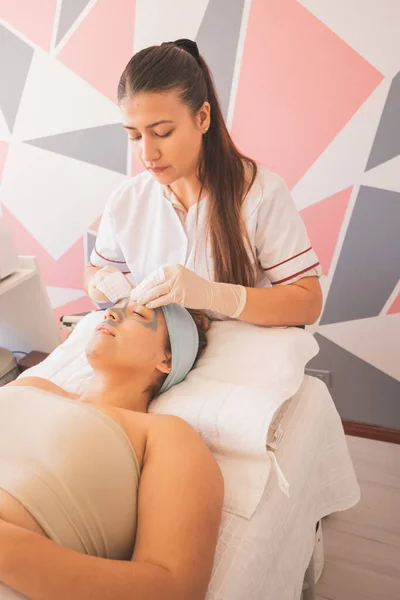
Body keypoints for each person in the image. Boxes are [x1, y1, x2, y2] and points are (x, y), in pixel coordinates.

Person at [85, 38, 323, 327]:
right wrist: (101, 281)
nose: (147, 154)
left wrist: (214, 296)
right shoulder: (127, 201)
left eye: (162, 132)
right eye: (134, 136)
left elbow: (308, 303)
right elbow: (96, 269)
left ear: (202, 117)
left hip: (241, 355)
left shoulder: (260, 193)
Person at [0, 300, 223, 600]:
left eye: (139, 315)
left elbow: (173, 586)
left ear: (167, 360)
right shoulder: (32, 386)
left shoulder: (164, 435)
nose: (110, 313)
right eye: (113, 308)